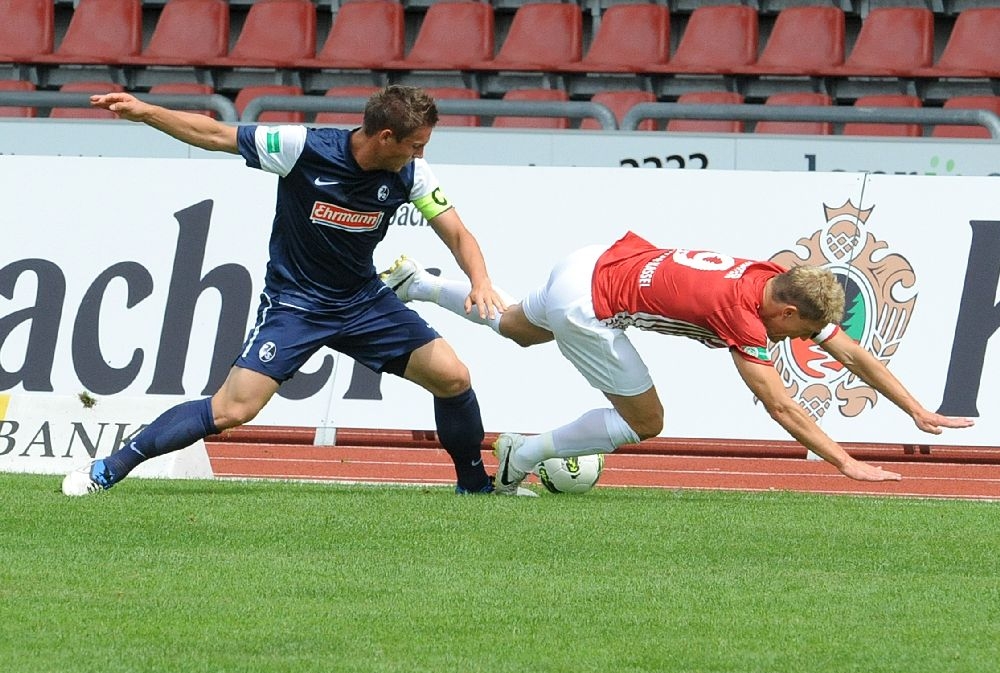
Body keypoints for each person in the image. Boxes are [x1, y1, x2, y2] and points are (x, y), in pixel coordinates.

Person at [62, 85, 518, 497]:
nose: (420, 153)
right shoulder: (301, 147)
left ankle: (475, 486)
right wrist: (145, 112)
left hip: (363, 301)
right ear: (384, 137)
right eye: (415, 144)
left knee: (453, 377)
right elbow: (216, 134)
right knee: (232, 409)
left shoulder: (412, 173)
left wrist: (479, 279)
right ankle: (108, 467)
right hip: (295, 304)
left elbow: (457, 233)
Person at [380, 230, 975, 494]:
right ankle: (521, 454)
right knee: (646, 422)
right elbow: (781, 406)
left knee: (515, 328)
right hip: (590, 303)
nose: (809, 340)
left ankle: (421, 284)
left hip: (589, 260)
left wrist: (918, 411)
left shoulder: (772, 277)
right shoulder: (743, 313)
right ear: (788, 309)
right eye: (805, 330)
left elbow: (851, 352)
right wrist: (848, 464)